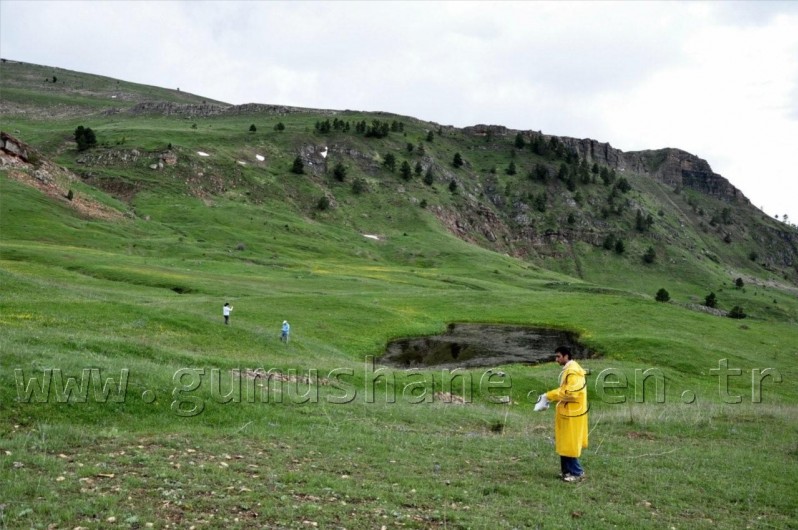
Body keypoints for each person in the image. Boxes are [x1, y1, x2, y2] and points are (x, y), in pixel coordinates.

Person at [535, 346, 588, 482]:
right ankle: (566, 471)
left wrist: (548, 396)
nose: (556, 359)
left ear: (566, 356)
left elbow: (571, 393)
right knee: (565, 442)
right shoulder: (570, 370)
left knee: (569, 443)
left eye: (558, 356)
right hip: (567, 412)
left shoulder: (573, 372)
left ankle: (577, 472)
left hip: (572, 414)